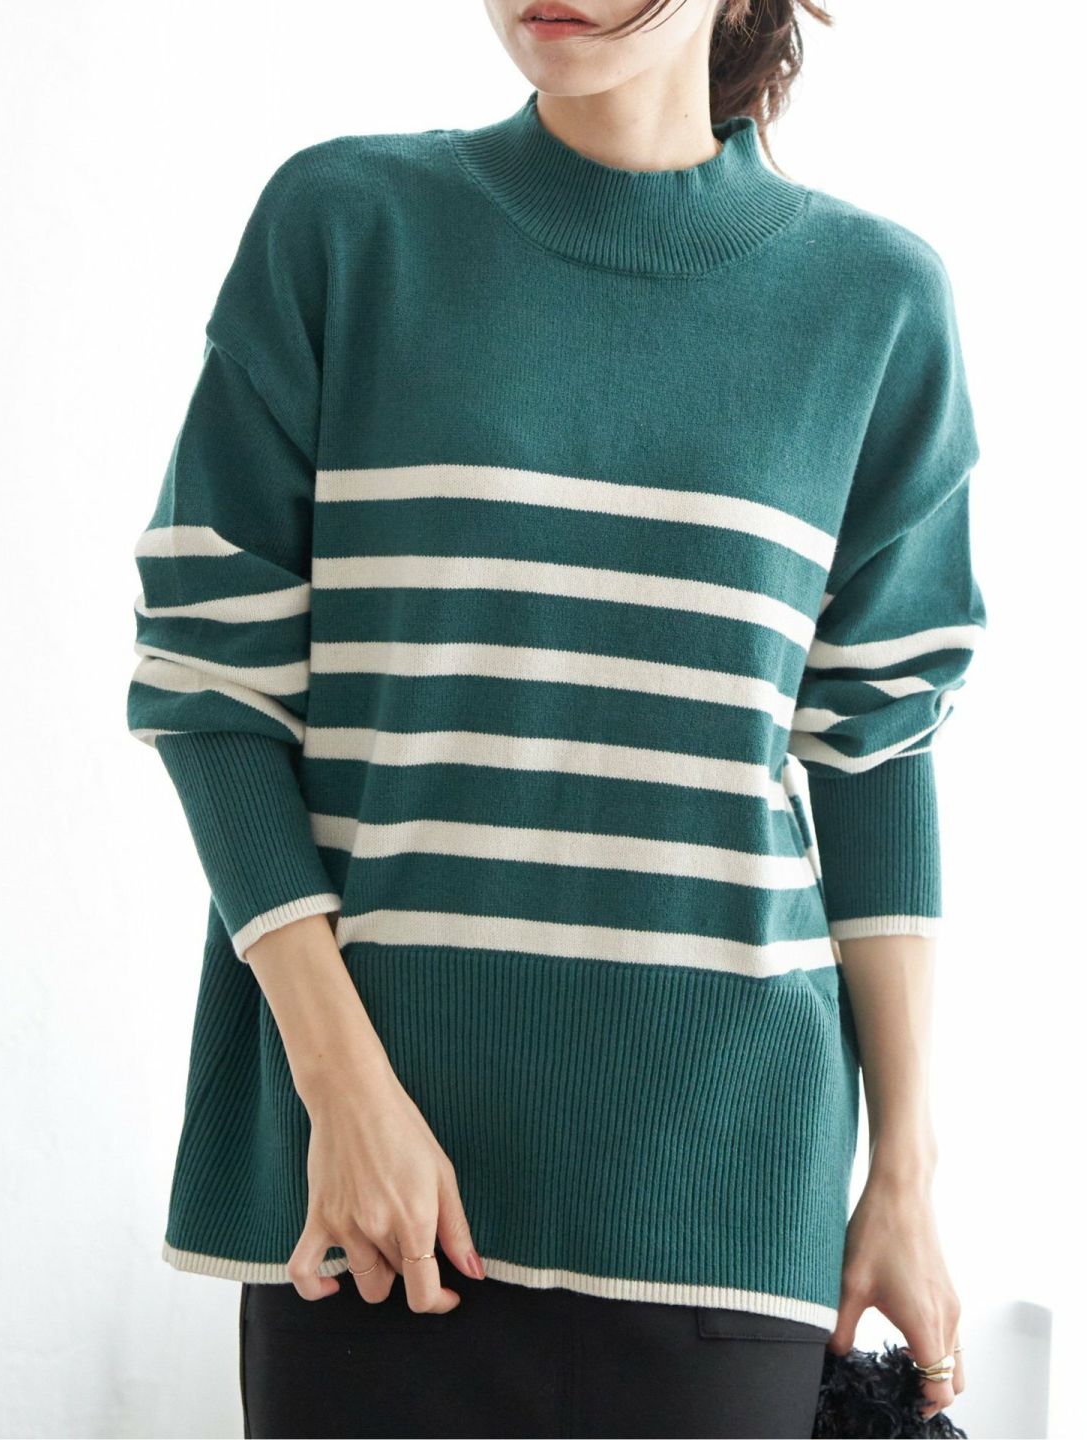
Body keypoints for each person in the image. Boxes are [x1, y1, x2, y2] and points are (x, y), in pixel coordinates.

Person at [126, 1, 983, 1434]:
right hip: (378, 1202)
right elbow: (212, 682)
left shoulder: (873, 303)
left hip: (720, 1200)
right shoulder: (347, 228)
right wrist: (344, 1096)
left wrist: (905, 1173)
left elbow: (878, 749)